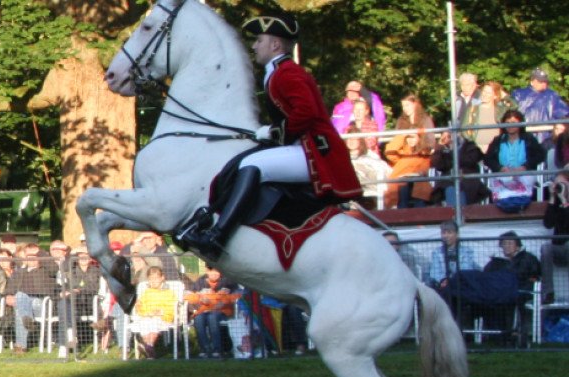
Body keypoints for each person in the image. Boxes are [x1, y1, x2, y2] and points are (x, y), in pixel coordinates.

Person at [179, 11, 362, 261]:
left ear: (275, 44)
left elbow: (306, 112)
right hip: (303, 147)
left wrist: (274, 132)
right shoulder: (279, 71)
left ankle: (218, 237)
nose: (254, 46)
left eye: (259, 40)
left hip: (315, 153)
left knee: (252, 164)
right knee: (247, 158)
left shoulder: (288, 73)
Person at [480, 231, 540, 345]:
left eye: (509, 243)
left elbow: (534, 275)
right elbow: (486, 275)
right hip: (499, 292)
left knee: (510, 299)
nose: (506, 246)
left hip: (521, 291)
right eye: (504, 243)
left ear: (517, 244)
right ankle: (498, 335)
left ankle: (512, 334)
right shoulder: (496, 262)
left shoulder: (527, 258)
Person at [484, 109, 546, 205]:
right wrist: (500, 168)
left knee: (524, 180)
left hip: (524, 173)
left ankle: (521, 202)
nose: (510, 125)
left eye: (513, 122)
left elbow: (540, 155)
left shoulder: (529, 139)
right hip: (503, 174)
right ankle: (504, 203)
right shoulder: (498, 140)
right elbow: (488, 159)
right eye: (507, 123)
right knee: (504, 180)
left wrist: (525, 167)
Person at [7, 243, 56, 353]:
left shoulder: (47, 270)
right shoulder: (19, 272)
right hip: (23, 302)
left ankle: (20, 345)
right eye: (29, 256)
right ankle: (27, 320)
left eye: (35, 255)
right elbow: (9, 289)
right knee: (20, 297)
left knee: (23, 304)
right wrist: (9, 296)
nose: (32, 258)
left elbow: (54, 268)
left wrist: (40, 253)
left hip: (42, 302)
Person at [186, 266, 239, 358]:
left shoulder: (228, 281)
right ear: (207, 270)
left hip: (222, 311)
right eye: (212, 271)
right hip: (203, 310)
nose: (214, 274)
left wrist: (224, 302)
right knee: (198, 318)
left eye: (217, 271)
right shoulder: (200, 282)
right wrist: (200, 299)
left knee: (212, 317)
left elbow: (238, 294)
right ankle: (204, 349)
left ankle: (217, 349)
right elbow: (187, 295)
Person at [430, 131, 490, 207]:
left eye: (453, 134)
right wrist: (439, 146)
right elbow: (437, 165)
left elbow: (472, 160)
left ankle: (458, 214)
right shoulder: (443, 150)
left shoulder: (470, 146)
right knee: (450, 189)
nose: (451, 138)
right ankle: (458, 214)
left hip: (468, 179)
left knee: (458, 189)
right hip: (448, 180)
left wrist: (453, 155)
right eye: (448, 136)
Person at [511, 67, 569, 143]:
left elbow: (563, 113)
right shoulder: (518, 94)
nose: (544, 84)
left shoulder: (552, 96)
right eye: (540, 81)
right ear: (532, 82)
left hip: (546, 137)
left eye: (545, 81)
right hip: (523, 136)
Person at [132, 266, 178, 359]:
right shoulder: (146, 292)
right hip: (148, 316)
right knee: (144, 322)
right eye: (150, 279)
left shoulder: (168, 292)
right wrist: (145, 311)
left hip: (163, 317)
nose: (153, 281)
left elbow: (171, 306)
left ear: (162, 278)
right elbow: (141, 307)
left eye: (156, 278)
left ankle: (147, 346)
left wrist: (161, 312)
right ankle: (150, 349)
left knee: (154, 322)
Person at [462, 80, 517, 153]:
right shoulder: (472, 109)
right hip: (476, 150)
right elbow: (464, 129)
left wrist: (505, 95)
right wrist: (474, 145)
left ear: (495, 95)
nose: (485, 94)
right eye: (484, 91)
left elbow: (515, 106)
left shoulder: (501, 109)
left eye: (488, 93)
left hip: (496, 149)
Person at [540, 169, 569, 304]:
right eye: (556, 184)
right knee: (546, 248)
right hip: (561, 249)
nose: (559, 187)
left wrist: (565, 201)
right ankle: (548, 292)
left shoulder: (563, 202)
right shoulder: (556, 203)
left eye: (562, 184)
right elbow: (548, 224)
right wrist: (552, 198)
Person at [428, 220, 479, 294]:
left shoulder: (467, 251)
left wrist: (452, 281)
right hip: (443, 286)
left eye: (449, 232)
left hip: (461, 285)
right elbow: (435, 271)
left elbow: (466, 269)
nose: (446, 236)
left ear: (457, 234)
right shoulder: (436, 252)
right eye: (443, 233)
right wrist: (443, 280)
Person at [384, 132, 432, 208]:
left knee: (420, 187)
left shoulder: (423, 154)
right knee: (403, 186)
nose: (410, 140)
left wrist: (419, 174)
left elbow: (425, 168)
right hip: (401, 181)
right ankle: (401, 215)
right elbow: (390, 151)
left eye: (413, 137)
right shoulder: (400, 154)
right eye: (408, 137)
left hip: (418, 181)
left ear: (419, 139)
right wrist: (402, 136)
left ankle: (420, 215)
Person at [345, 124, 391, 200]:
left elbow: (385, 170)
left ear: (360, 141)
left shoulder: (370, 156)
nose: (351, 142)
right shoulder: (343, 157)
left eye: (354, 139)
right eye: (349, 139)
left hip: (371, 191)